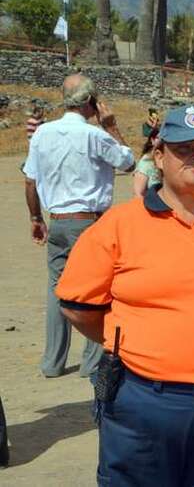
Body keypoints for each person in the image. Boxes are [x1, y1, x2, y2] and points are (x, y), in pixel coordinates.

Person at [56, 105, 194, 486]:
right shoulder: (120, 224)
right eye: (184, 149)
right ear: (159, 155)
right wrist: (134, 342)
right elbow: (77, 307)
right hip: (144, 405)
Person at [23, 74, 135, 379]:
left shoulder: (42, 133)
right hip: (90, 221)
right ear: (90, 102)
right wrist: (111, 126)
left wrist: (35, 218)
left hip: (58, 219)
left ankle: (53, 361)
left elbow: (30, 180)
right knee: (96, 288)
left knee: (56, 288)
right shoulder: (94, 136)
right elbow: (129, 162)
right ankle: (92, 362)